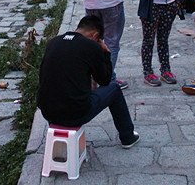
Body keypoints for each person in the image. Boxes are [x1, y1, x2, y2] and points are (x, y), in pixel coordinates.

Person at [36, 15, 140, 148]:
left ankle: (58, 133)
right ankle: (128, 137)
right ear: (95, 35)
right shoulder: (91, 46)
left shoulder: (53, 42)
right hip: (76, 114)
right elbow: (105, 81)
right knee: (114, 89)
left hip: (48, 112)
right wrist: (106, 53)